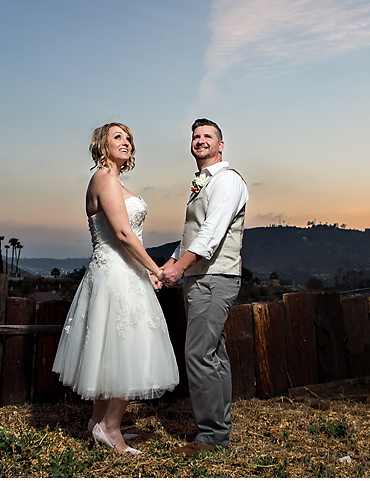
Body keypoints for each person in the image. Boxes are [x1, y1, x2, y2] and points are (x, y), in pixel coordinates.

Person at [53, 122, 179, 455]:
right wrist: (157, 270)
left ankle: (99, 422)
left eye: (129, 138)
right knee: (127, 346)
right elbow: (123, 235)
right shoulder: (104, 179)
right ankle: (111, 428)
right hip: (117, 274)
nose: (126, 142)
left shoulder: (112, 181)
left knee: (111, 347)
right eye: (117, 137)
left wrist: (146, 271)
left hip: (122, 271)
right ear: (102, 144)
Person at [162, 118, 248, 456]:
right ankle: (218, 428)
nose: (200, 141)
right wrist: (170, 265)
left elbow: (211, 234)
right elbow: (192, 234)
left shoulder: (226, 181)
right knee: (213, 354)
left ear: (221, 145)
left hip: (214, 278)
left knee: (198, 353)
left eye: (208, 136)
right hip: (203, 277)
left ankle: (211, 437)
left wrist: (180, 268)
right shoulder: (203, 182)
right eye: (196, 136)